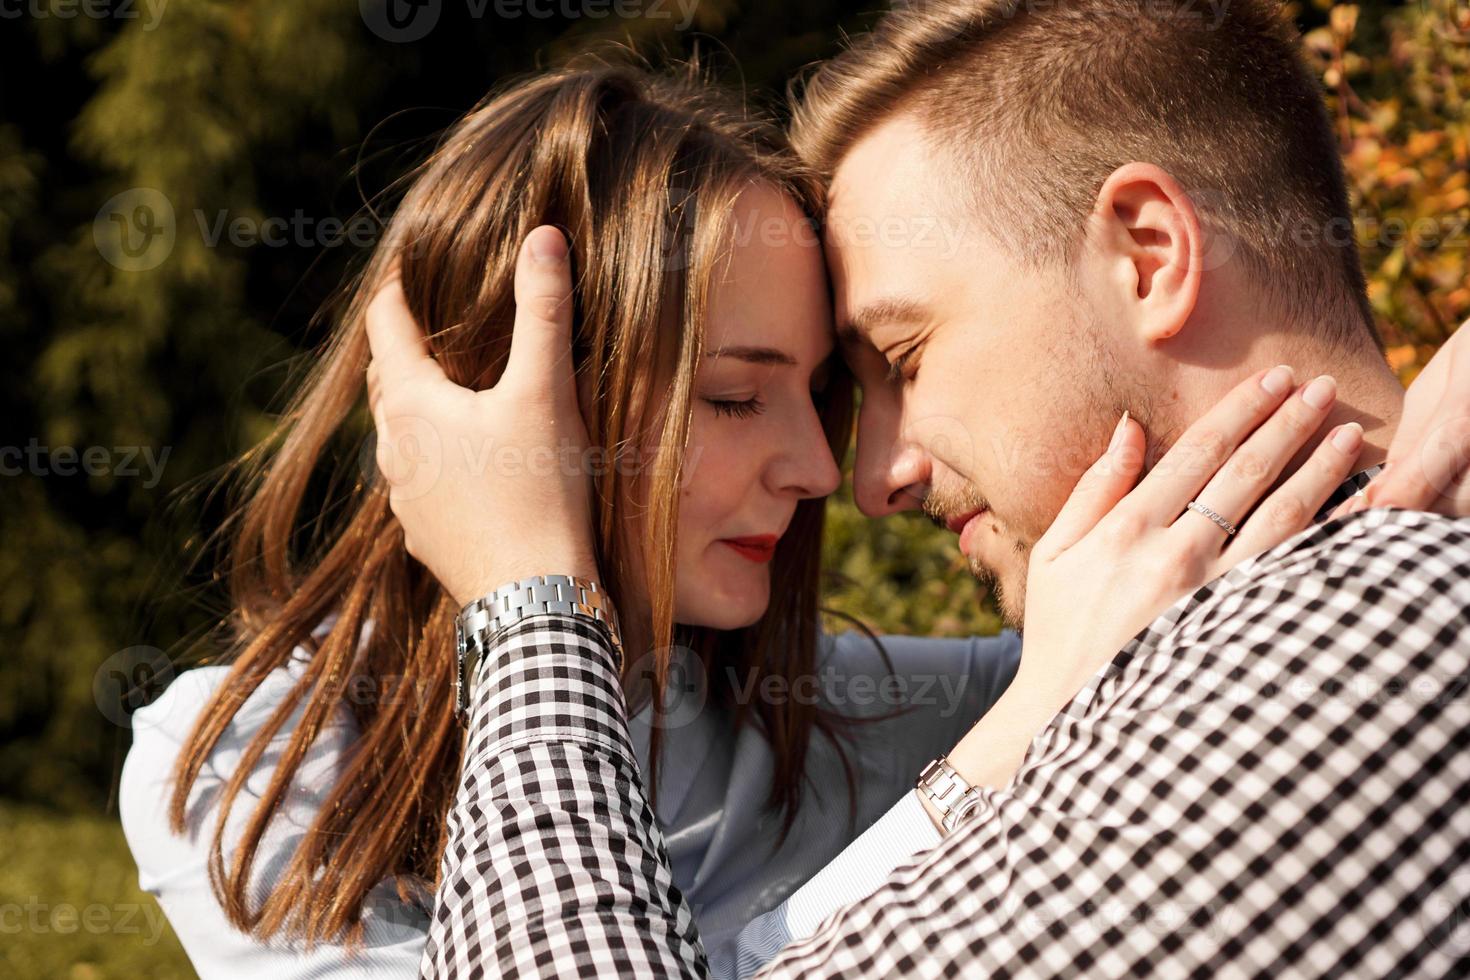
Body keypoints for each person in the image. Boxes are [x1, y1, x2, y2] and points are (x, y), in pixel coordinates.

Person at [123, 51, 1388, 980]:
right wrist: (1007, 749)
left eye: (826, 392)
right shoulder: (251, 772)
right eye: (734, 398)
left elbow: (1185, 607)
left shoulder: (840, 712)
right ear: (509, 405)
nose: (821, 467)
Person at [404, 2, 1470, 977]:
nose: (869, 480)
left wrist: (529, 597)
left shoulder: (1327, 649)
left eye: (905, 359)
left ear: (1147, 256)